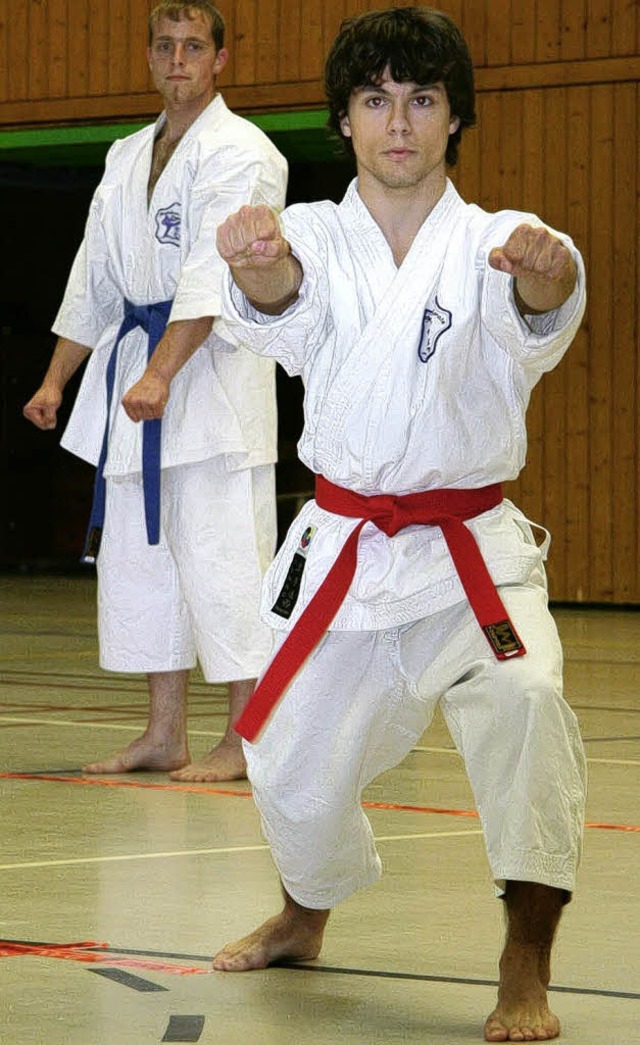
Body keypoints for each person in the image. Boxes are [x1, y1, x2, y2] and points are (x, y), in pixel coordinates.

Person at [212, 7, 587, 1042]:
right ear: (343, 119)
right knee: (286, 760)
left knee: (525, 697)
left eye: (421, 99)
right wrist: (255, 269)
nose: (399, 122)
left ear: (454, 116)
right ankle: (305, 910)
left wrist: (547, 276)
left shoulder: (494, 241)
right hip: (343, 547)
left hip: (466, 553)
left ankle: (524, 962)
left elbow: (544, 307)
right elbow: (285, 300)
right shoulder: (314, 236)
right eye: (375, 99)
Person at [23, 0, 287, 783]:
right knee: (145, 564)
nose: (179, 59)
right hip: (137, 375)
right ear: (149, 57)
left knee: (226, 559)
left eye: (194, 46)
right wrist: (54, 379)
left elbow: (213, 271)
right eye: (166, 46)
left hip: (209, 383)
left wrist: (163, 372)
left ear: (220, 60)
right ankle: (163, 733)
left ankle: (246, 738)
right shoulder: (125, 155)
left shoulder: (243, 151)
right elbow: (94, 275)